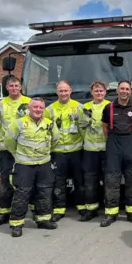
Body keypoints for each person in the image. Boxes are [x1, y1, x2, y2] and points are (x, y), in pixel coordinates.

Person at [4, 97, 60, 237]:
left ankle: (43, 220)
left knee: (44, 192)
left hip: (44, 164)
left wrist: (45, 155)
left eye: (41, 107)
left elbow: (55, 141)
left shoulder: (50, 124)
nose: (38, 110)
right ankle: (16, 224)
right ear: (29, 108)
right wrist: (19, 155)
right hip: (24, 165)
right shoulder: (18, 124)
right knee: (22, 193)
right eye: (35, 107)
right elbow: (9, 142)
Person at [100, 80, 132, 227]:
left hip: (131, 144)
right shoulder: (108, 108)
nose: (124, 91)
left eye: (127, 89)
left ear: (130, 91)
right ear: (117, 90)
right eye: (122, 89)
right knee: (112, 180)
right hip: (113, 145)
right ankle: (111, 213)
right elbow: (105, 128)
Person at [0, 76, 31, 226]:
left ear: (21, 87)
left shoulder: (29, 102)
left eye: (16, 85)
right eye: (11, 86)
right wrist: (5, 142)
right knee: (6, 181)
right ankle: (4, 213)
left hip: (25, 148)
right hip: (6, 150)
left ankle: (31, 210)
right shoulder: (0, 104)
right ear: (7, 88)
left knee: (26, 180)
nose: (14, 88)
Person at [44, 80, 85, 222]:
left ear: (70, 91)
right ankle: (59, 209)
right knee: (58, 181)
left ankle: (82, 207)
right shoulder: (49, 110)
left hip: (76, 150)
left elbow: (84, 129)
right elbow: (46, 131)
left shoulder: (79, 107)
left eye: (66, 91)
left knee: (79, 181)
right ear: (57, 92)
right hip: (58, 152)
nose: (63, 93)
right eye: (61, 91)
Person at [80, 81, 110, 221]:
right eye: (96, 91)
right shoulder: (85, 108)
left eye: (101, 90)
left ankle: (109, 208)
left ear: (105, 92)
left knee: (108, 180)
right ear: (91, 92)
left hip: (106, 149)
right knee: (90, 181)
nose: (98, 93)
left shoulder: (110, 106)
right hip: (90, 150)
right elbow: (81, 128)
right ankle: (91, 209)